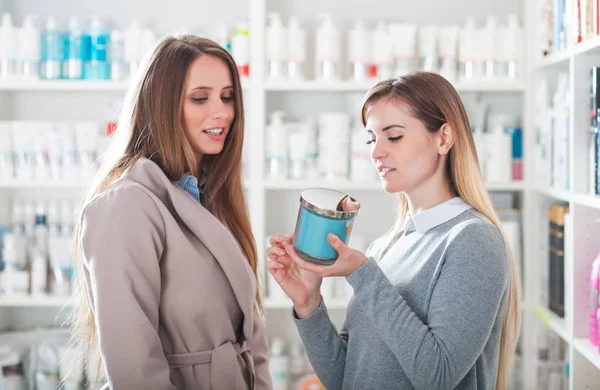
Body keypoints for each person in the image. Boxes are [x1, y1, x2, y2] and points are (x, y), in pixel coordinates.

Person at [267, 72, 521, 390]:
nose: (376, 153)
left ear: (444, 138)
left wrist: (362, 273)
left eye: (394, 136)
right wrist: (308, 303)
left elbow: (437, 376)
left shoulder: (473, 240)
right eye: (372, 139)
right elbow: (345, 379)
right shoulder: (385, 248)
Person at [71, 35, 271, 390]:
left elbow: (250, 333)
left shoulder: (208, 196)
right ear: (161, 105)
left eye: (227, 97)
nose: (221, 111)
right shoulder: (126, 206)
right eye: (200, 98)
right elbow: (135, 370)